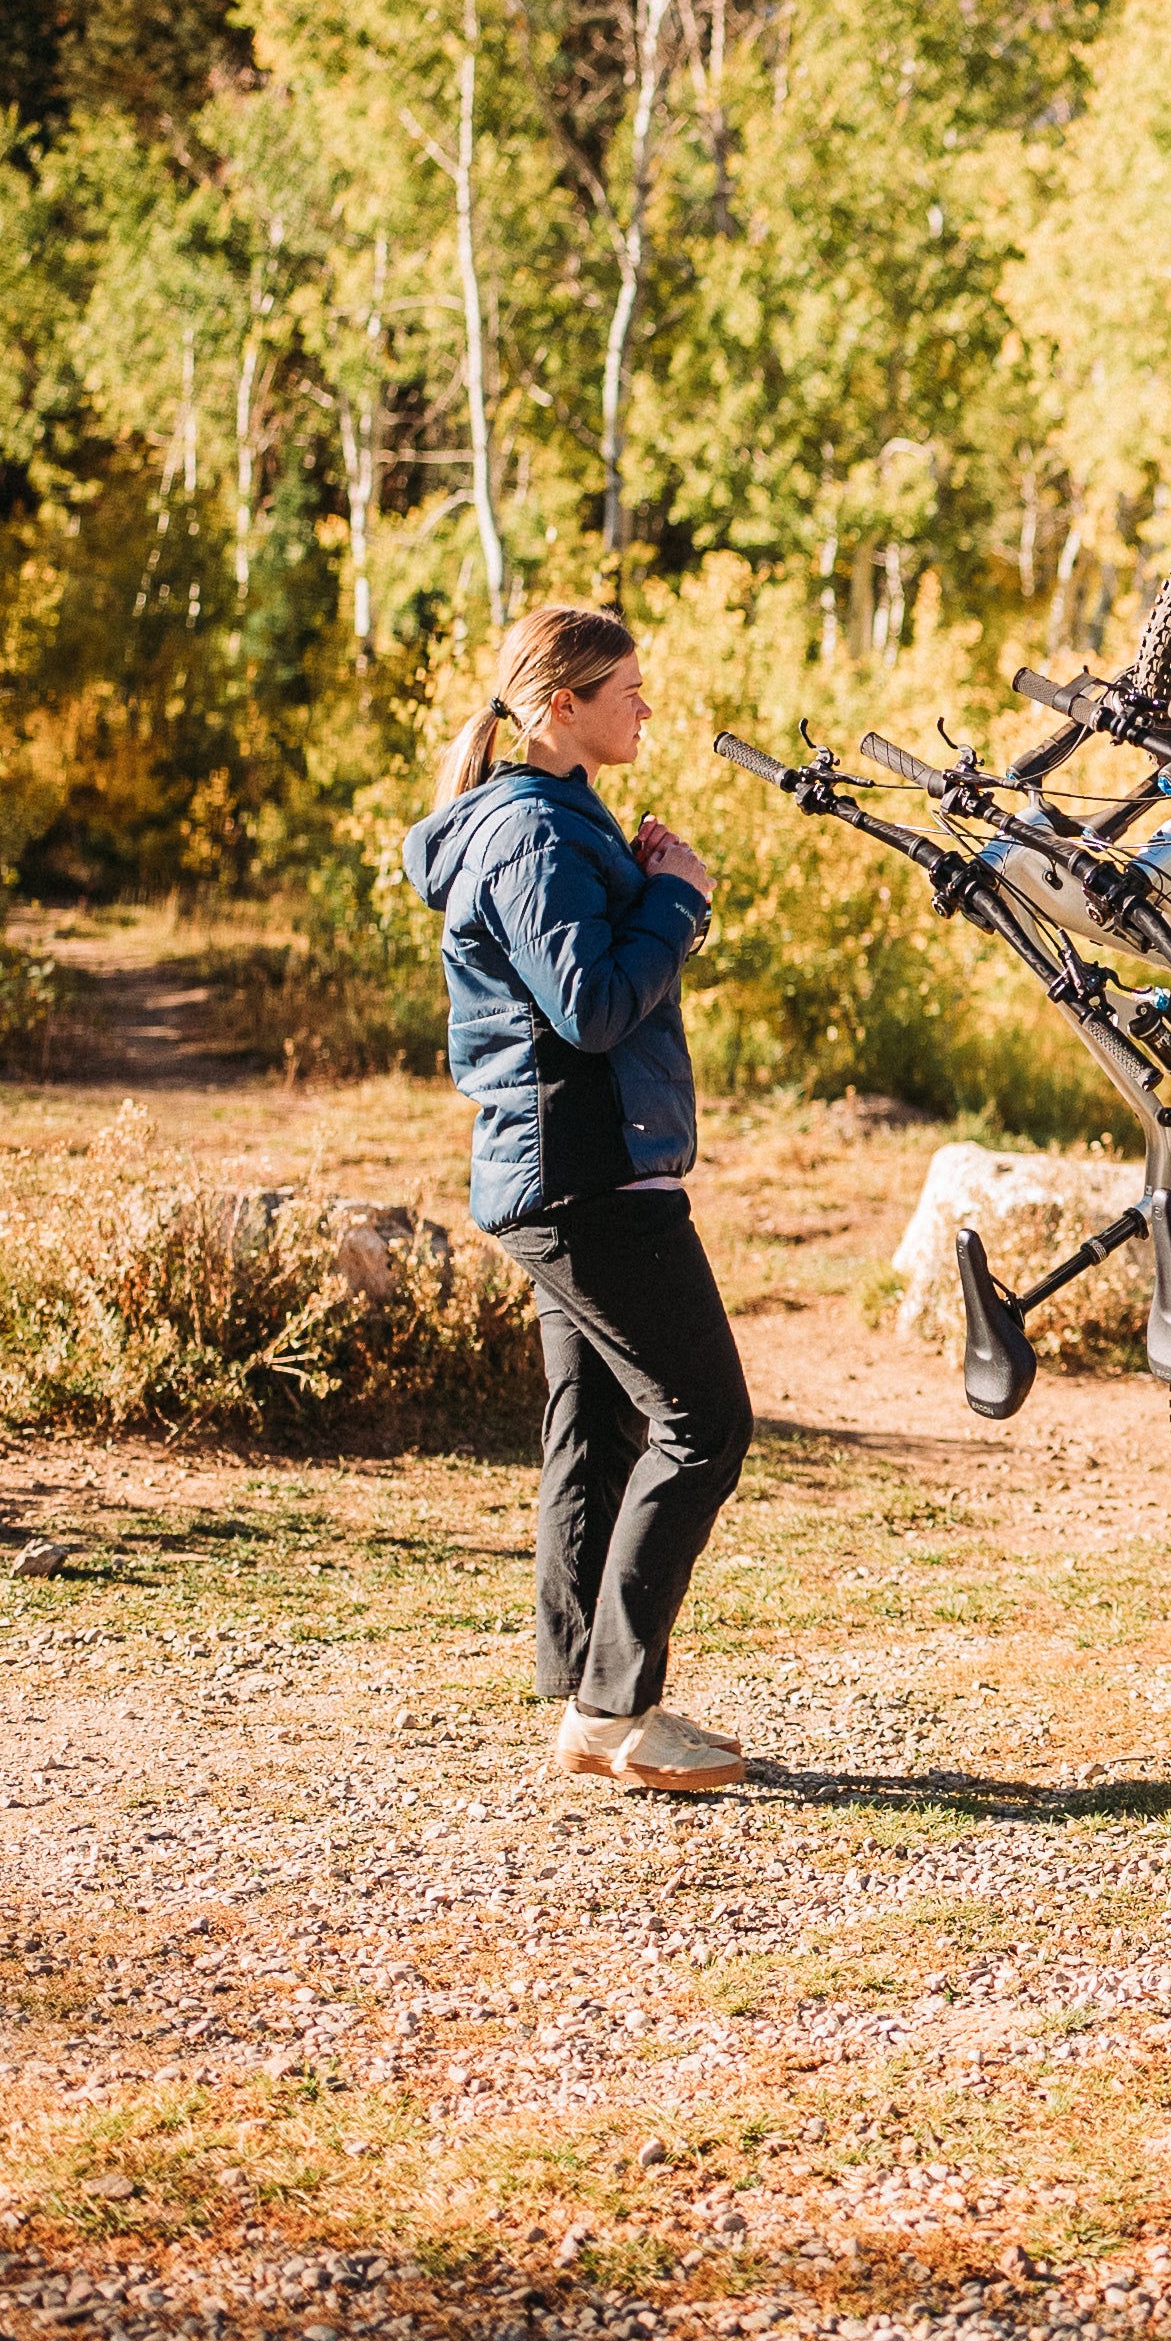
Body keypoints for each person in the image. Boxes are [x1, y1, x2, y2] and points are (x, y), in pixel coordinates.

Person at [401, 606, 754, 1797]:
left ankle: (591, 1699)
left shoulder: (553, 818)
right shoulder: (531, 834)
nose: (646, 707)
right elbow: (593, 1007)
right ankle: (615, 1710)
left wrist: (647, 883)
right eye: (628, 690)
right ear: (563, 706)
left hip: (575, 1172)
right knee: (705, 1425)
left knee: (595, 1429)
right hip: (585, 1179)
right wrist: (680, 901)